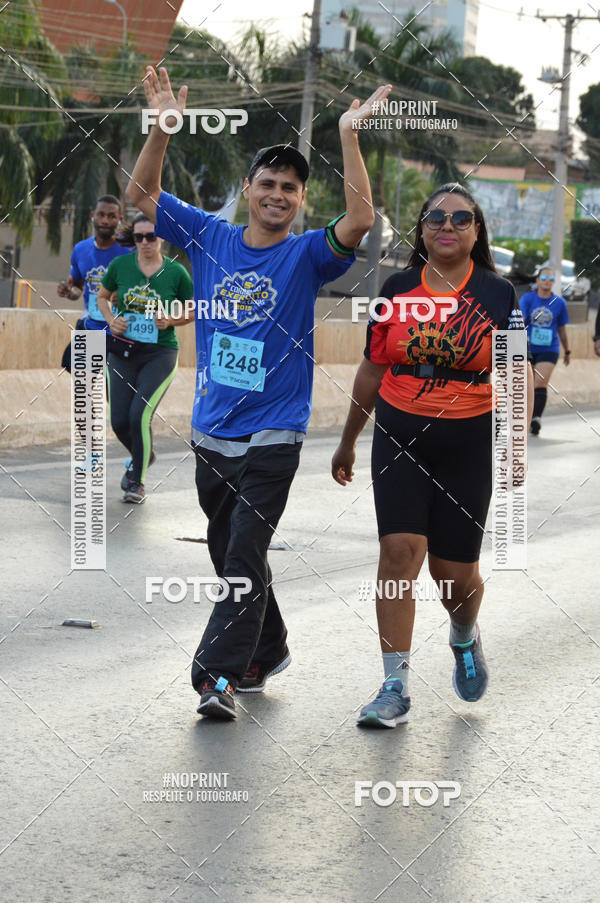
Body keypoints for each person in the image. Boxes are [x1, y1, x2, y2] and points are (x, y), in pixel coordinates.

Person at [126, 64, 389, 719]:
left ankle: (215, 675)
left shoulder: (306, 255)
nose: (278, 194)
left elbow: (360, 217)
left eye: (290, 187)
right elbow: (140, 193)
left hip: (276, 430)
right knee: (228, 552)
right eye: (268, 183)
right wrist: (161, 131)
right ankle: (267, 647)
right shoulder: (208, 236)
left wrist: (348, 135)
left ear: (301, 200)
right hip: (214, 426)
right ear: (248, 190)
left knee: (244, 548)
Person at [331, 183, 534, 728]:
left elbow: (516, 373)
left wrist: (514, 445)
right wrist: (349, 438)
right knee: (399, 552)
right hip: (399, 432)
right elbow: (372, 368)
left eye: (460, 218)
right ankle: (393, 683)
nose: (447, 226)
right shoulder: (396, 288)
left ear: (476, 230)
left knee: (454, 575)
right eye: (436, 218)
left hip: (467, 440)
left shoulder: (498, 294)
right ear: (421, 229)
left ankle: (464, 634)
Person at [96, 213, 194, 503]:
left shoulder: (176, 272)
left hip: (160, 353)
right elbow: (103, 296)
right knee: (118, 421)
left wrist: (171, 320)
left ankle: (137, 482)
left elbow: (193, 309)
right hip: (123, 351)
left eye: (151, 236)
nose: (145, 242)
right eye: (139, 237)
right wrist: (111, 319)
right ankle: (145, 455)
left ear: (161, 237)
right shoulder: (120, 266)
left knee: (140, 414)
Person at [58, 195, 131, 371]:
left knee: (113, 390)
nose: (105, 220)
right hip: (91, 327)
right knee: (83, 389)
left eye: (111, 216)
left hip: (119, 330)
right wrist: (69, 292)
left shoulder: (129, 253)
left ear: (120, 219)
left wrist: (122, 296)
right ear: (93, 215)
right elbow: (77, 287)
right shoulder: (81, 249)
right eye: (101, 214)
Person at [519, 266, 570, 435]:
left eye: (551, 278)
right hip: (528, 347)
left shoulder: (559, 303)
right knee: (528, 384)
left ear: (554, 282)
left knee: (540, 382)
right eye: (544, 277)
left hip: (550, 348)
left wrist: (567, 350)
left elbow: (562, 328)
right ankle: (526, 417)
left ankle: (536, 419)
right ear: (537, 280)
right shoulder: (527, 299)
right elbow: (521, 321)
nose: (547, 281)